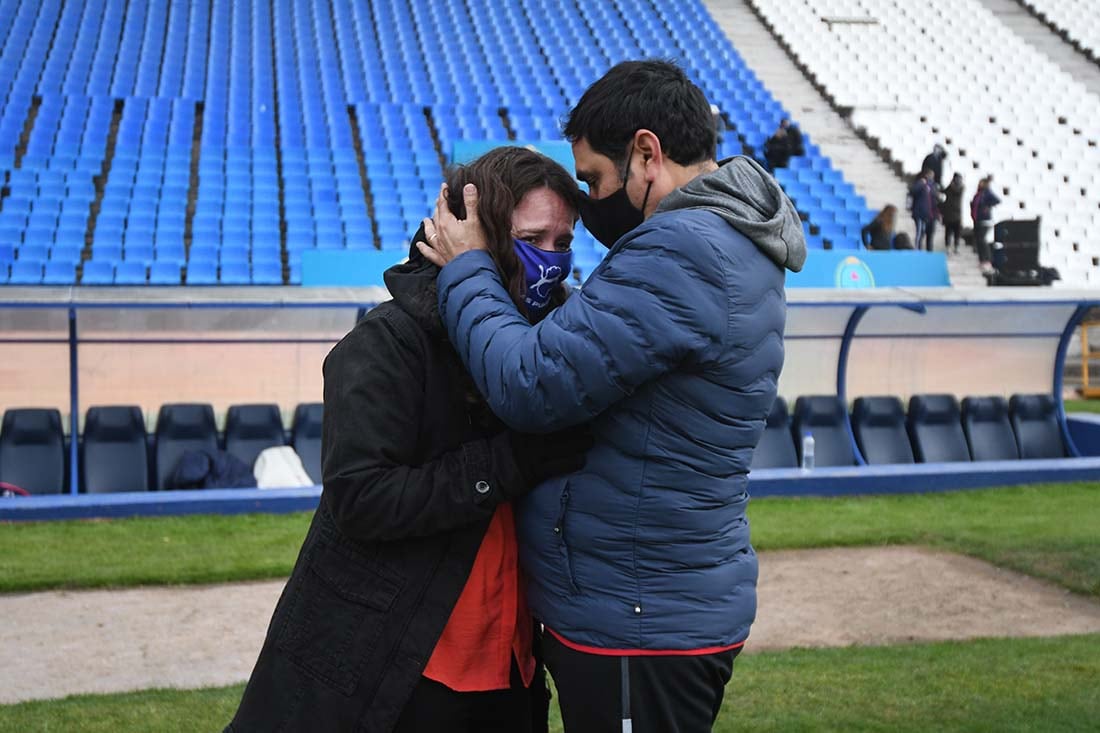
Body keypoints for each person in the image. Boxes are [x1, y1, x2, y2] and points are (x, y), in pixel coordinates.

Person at [419, 60, 806, 733]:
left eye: (597, 179)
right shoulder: (721, 241)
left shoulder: (683, 250)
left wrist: (469, 268)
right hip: (643, 607)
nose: (594, 202)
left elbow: (528, 383)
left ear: (647, 154)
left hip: (639, 622)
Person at [225, 147, 593, 733]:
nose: (553, 262)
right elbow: (360, 497)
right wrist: (506, 463)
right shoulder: (387, 342)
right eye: (533, 238)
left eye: (563, 242)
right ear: (476, 235)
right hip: (407, 668)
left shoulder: (549, 344)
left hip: (513, 669)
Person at [971, 175, 1001, 270]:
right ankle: (982, 260)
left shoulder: (987, 193)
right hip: (977, 219)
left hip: (985, 220)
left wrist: (988, 206)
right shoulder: (978, 194)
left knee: (982, 239)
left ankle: (987, 259)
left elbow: (997, 200)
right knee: (979, 240)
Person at [909, 169, 939, 251]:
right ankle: (917, 249)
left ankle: (929, 250)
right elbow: (912, 191)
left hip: (930, 214)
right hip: (919, 213)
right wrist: (921, 183)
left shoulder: (933, 186)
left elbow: (935, 200)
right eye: (929, 175)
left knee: (929, 234)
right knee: (920, 232)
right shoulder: (921, 183)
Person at [941, 172, 965, 254]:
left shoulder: (961, 188)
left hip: (957, 213)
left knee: (956, 232)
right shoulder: (949, 187)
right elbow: (944, 191)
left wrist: (951, 185)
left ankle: (956, 246)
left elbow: (956, 191)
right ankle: (948, 246)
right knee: (948, 232)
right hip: (949, 213)